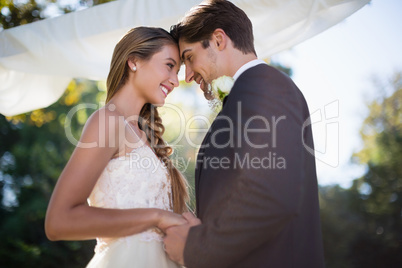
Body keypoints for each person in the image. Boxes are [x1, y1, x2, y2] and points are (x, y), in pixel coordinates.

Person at [164, 0, 325, 267]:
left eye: (190, 58)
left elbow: (270, 194)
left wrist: (195, 247)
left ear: (218, 40)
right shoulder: (246, 94)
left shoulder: (265, 84)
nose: (188, 75)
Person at [45, 27, 189, 268]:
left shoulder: (145, 136)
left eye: (178, 71)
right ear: (133, 61)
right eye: (169, 65)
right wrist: (157, 216)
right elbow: (58, 221)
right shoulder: (107, 121)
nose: (175, 80)